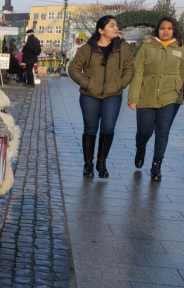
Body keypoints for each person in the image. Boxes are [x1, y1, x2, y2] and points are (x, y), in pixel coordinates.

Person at [68, 15, 135, 178]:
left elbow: (130, 69)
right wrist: (87, 83)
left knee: (108, 128)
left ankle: (101, 162)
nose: (115, 28)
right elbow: (73, 68)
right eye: (112, 25)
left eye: (116, 25)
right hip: (90, 95)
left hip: (113, 95)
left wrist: (120, 84)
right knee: (90, 129)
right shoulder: (87, 48)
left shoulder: (123, 48)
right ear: (101, 30)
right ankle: (88, 164)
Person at [127, 16, 184, 181]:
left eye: (169, 28)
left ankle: (156, 166)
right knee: (145, 131)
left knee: (162, 131)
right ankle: (140, 147)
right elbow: (137, 74)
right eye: (162, 28)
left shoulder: (180, 49)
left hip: (171, 95)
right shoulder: (146, 48)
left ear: (174, 31)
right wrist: (133, 98)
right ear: (157, 30)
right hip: (147, 94)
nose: (165, 31)